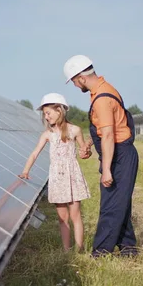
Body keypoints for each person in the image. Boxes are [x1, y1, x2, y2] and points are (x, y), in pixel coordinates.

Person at [63, 55, 139, 258]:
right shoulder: (103, 90)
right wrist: (88, 143)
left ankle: (101, 252)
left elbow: (108, 135)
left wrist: (106, 169)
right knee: (120, 202)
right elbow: (103, 127)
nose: (75, 85)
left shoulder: (102, 98)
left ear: (81, 78)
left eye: (73, 81)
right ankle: (129, 249)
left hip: (120, 154)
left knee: (111, 205)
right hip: (119, 153)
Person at [19, 92, 92, 252]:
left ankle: (79, 250)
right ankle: (67, 251)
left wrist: (86, 150)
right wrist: (25, 171)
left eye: (48, 113)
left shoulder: (75, 130)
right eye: (44, 114)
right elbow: (34, 153)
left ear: (59, 110)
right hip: (57, 179)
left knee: (75, 215)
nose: (46, 117)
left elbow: (83, 154)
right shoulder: (47, 134)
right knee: (62, 218)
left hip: (72, 177)